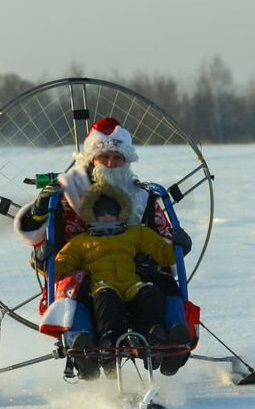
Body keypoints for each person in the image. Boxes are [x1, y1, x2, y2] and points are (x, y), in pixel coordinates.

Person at [14, 117, 192, 333]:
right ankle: (82, 338)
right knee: (83, 290)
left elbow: (162, 243)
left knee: (163, 285)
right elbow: (38, 234)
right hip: (83, 275)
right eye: (104, 157)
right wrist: (38, 211)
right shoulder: (69, 193)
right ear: (92, 160)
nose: (111, 163)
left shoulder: (141, 198)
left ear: (126, 161)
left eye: (117, 158)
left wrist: (173, 249)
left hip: (133, 275)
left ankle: (174, 335)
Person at [54, 183, 192, 380]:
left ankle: (155, 336)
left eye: (113, 212)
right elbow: (59, 268)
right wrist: (43, 260)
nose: (107, 217)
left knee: (149, 292)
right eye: (101, 213)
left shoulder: (135, 233)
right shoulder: (80, 242)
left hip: (131, 283)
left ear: (122, 213)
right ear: (92, 215)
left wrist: (179, 247)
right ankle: (107, 343)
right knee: (107, 297)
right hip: (102, 285)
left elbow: (163, 253)